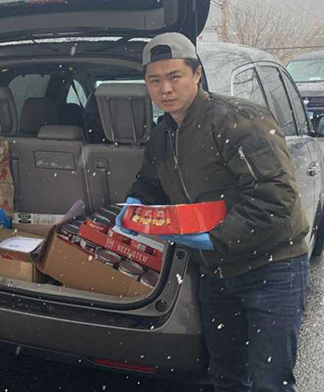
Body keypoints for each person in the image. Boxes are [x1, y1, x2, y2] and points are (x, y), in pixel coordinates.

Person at [118, 32, 310, 392]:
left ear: (197, 75)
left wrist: (214, 237)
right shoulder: (164, 134)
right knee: (226, 376)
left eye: (175, 77)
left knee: (270, 381)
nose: (165, 89)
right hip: (217, 273)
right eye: (154, 80)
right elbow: (150, 183)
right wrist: (135, 205)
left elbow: (276, 198)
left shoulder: (238, 120)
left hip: (271, 269)